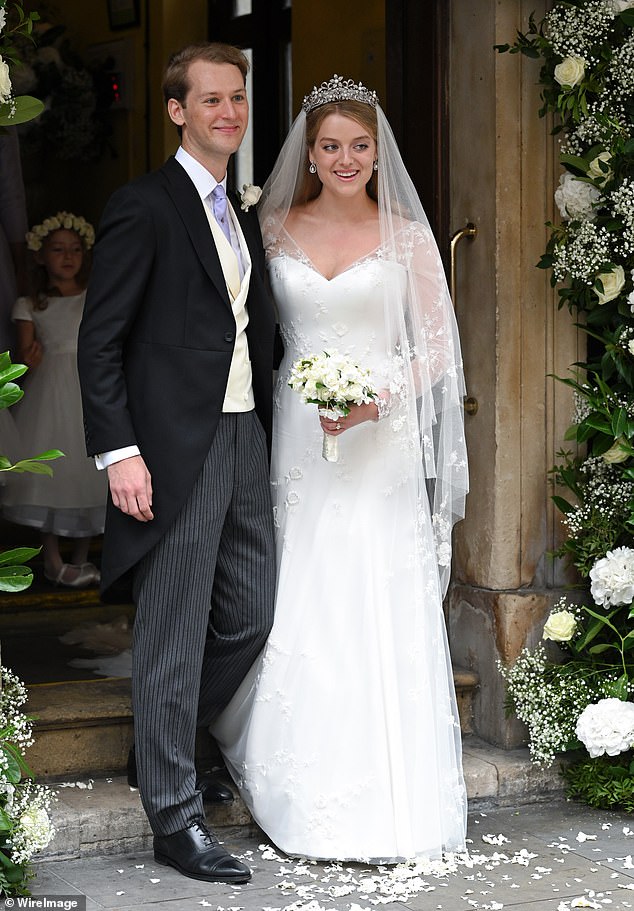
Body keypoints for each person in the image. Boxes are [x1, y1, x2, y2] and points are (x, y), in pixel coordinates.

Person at [213, 75, 469, 863]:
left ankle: (386, 782)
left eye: (360, 145)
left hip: (379, 440)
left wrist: (375, 398)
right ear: (310, 153)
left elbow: (436, 348)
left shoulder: (408, 237)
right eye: (331, 146)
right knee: (301, 581)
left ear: (376, 152)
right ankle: (293, 766)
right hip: (294, 435)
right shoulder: (272, 227)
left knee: (371, 584)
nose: (346, 158)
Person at [77, 43, 277, 884]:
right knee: (172, 629)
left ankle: (159, 743)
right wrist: (120, 451)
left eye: (236, 99)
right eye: (210, 100)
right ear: (177, 110)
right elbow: (101, 339)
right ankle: (173, 814)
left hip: (243, 434)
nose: (227, 112)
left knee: (250, 612)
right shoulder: (143, 205)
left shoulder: (244, 210)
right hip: (170, 448)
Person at [2, 211, 105, 587]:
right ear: (41, 255)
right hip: (49, 390)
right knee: (55, 472)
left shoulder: (95, 297)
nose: (68, 256)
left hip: (88, 386)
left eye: (75, 249)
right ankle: (53, 558)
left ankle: (80, 557)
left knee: (90, 469)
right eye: (58, 249)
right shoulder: (29, 304)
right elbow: (26, 353)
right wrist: (29, 360)